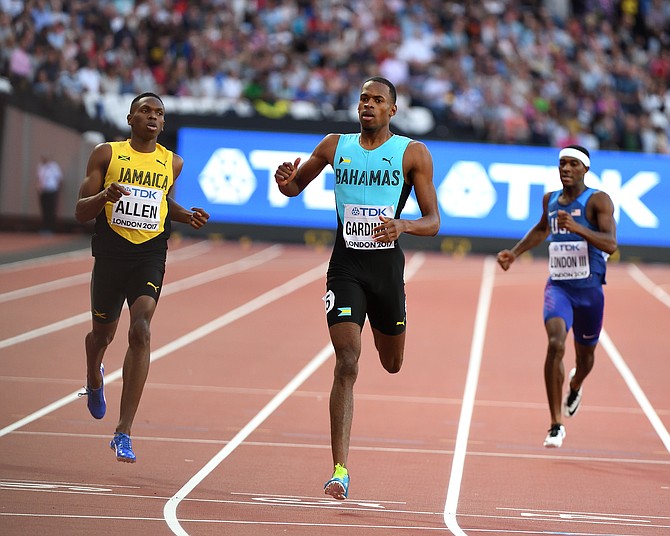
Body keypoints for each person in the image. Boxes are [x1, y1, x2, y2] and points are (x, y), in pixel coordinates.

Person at [274, 77, 440, 499]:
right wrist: (285, 182)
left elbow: (433, 221)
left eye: (377, 100)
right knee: (347, 361)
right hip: (345, 267)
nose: (368, 105)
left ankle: (393, 327)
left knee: (392, 362)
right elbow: (295, 188)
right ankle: (340, 470)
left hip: (386, 271)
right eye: (363, 98)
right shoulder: (334, 145)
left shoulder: (412, 153)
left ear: (392, 111)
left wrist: (402, 225)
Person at [74, 92, 210, 463]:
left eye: (159, 113)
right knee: (101, 334)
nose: (152, 117)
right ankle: (93, 375)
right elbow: (80, 211)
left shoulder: (173, 162)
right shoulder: (107, 153)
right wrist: (105, 194)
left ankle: (124, 431)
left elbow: (163, 204)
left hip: (150, 253)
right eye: (145, 111)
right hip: (111, 253)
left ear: (164, 124)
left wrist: (187, 216)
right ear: (130, 118)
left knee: (142, 330)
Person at [496, 145, 617, 448]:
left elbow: (611, 243)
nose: (565, 169)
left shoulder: (598, 200)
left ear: (585, 169)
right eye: (562, 163)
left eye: (573, 164)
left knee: (586, 357)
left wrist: (576, 227)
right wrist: (515, 252)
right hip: (559, 287)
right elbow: (541, 230)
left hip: (590, 291)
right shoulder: (550, 200)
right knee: (555, 343)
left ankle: (575, 384)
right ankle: (555, 424)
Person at [36, 154, 63, 233]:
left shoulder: (53, 167)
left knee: (50, 209)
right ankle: (44, 227)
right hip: (43, 191)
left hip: (51, 190)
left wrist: (57, 189)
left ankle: (51, 228)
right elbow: (39, 178)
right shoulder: (40, 167)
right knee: (44, 209)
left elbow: (59, 178)